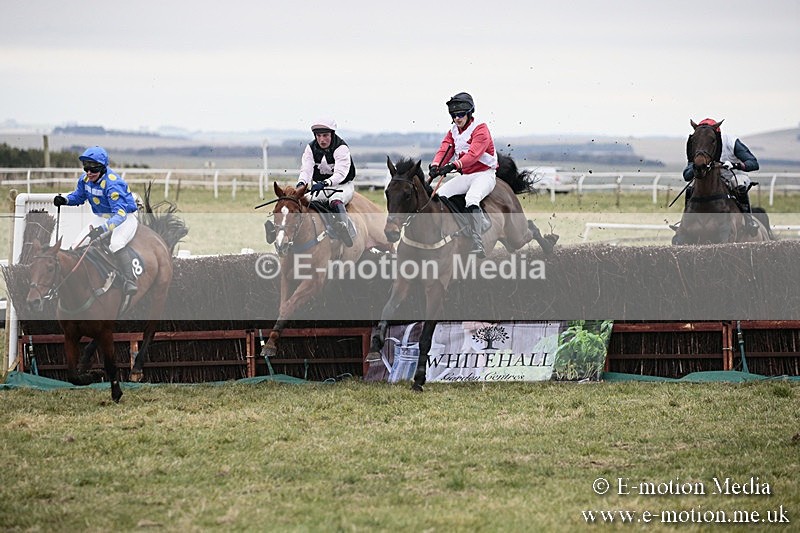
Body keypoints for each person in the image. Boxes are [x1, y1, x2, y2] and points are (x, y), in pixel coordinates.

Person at [53, 146, 139, 295]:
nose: (89, 173)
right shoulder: (85, 180)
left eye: (93, 169)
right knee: (76, 246)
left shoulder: (113, 184)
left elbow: (120, 215)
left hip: (125, 218)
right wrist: (65, 199)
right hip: (101, 217)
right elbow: (79, 197)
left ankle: (129, 280)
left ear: (103, 168)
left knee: (116, 243)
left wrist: (103, 229)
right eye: (86, 168)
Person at [428, 92, 497, 257]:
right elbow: (445, 149)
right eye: (454, 115)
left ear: (469, 113)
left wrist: (453, 165)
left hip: (484, 174)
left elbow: (473, 155)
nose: (457, 118)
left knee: (471, 199)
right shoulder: (453, 131)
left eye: (461, 115)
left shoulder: (480, 129)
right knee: (437, 196)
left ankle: (478, 241)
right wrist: (436, 165)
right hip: (466, 176)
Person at [682, 118, 760, 233]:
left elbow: (753, 163)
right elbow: (687, 175)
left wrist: (735, 165)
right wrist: (696, 167)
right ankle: (686, 223)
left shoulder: (731, 141)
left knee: (738, 184)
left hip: (733, 175)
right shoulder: (699, 144)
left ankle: (748, 220)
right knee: (690, 188)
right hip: (712, 178)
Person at [294, 118, 357, 247]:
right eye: (319, 136)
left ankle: (344, 228)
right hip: (322, 186)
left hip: (343, 186)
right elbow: (306, 169)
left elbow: (340, 174)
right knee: (305, 200)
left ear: (332, 135)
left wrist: (325, 183)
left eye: (325, 135)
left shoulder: (341, 148)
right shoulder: (310, 148)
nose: (322, 139)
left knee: (335, 200)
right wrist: (301, 183)